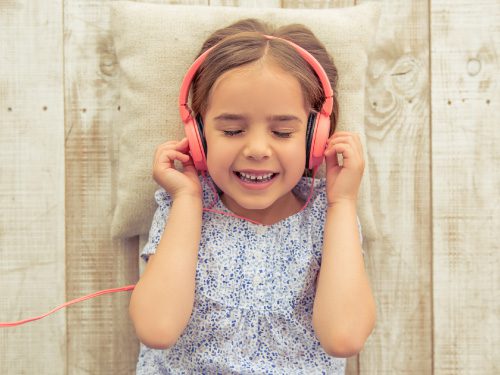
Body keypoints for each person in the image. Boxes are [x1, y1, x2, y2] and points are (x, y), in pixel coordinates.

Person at [129, 18, 376, 374]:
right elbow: (156, 329)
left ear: (315, 137)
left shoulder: (328, 212)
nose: (257, 149)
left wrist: (343, 204)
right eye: (232, 130)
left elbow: (345, 337)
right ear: (198, 136)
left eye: (282, 131)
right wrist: (187, 201)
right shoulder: (184, 205)